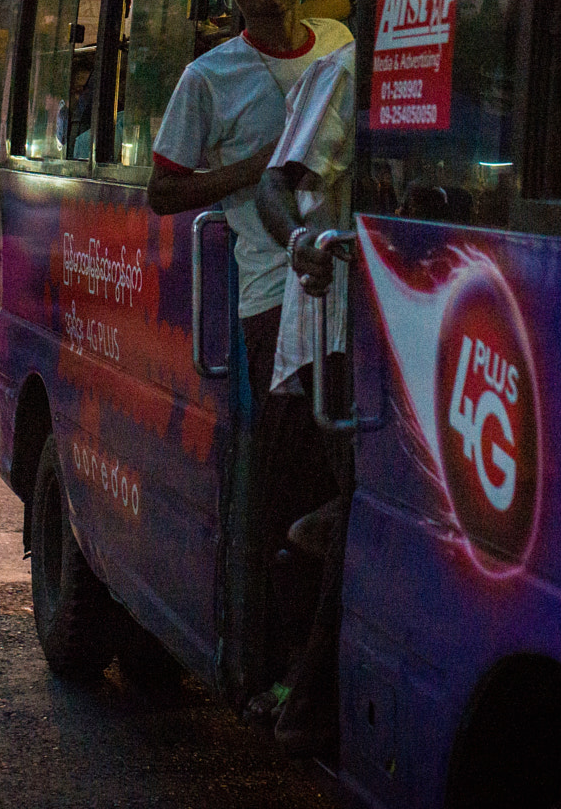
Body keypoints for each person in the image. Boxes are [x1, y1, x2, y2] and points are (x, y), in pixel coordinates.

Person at [146, 0, 352, 743]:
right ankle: (272, 677)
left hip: (348, 293)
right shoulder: (209, 78)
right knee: (285, 492)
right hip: (270, 301)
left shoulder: (343, 55)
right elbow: (164, 190)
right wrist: (248, 173)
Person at [255, 37, 357, 754]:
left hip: (403, 322)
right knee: (362, 508)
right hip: (339, 330)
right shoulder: (353, 67)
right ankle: (307, 688)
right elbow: (275, 186)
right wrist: (300, 244)